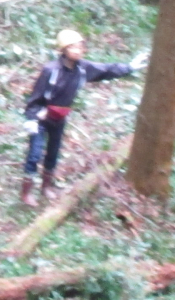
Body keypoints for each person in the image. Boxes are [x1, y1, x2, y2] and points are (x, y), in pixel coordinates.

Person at [21, 29, 142, 205]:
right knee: (35, 154)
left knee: (53, 153)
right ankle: (26, 192)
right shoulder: (51, 70)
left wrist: (129, 67)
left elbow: (106, 70)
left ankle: (46, 187)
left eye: (80, 47)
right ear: (63, 50)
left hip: (60, 117)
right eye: (72, 47)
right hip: (41, 117)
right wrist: (32, 117)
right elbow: (35, 96)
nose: (77, 51)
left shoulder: (83, 68)